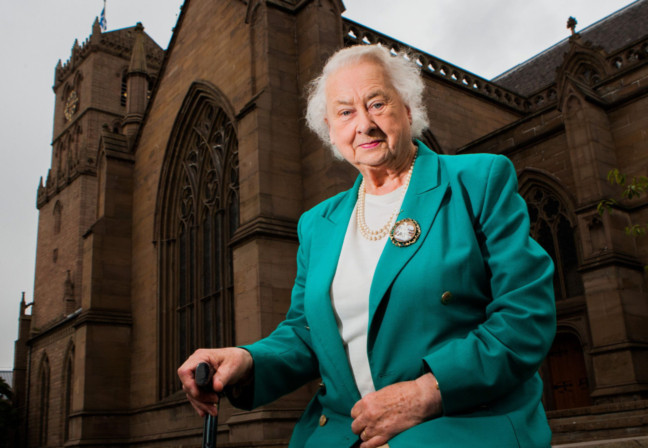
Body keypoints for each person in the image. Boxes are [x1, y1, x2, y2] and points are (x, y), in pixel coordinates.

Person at [178, 44, 556, 448]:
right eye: (345, 112)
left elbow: (524, 315)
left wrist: (428, 392)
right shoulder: (318, 224)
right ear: (330, 129)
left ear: (408, 110)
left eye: (376, 104)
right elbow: (307, 334)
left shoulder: (479, 181)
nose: (364, 124)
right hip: (343, 434)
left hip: (461, 424)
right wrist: (247, 359)